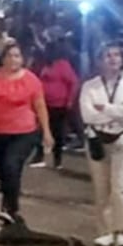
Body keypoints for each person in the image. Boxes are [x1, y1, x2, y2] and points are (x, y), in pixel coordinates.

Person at [0, 43, 54, 227]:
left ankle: (8, 207)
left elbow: (40, 106)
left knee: (11, 165)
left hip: (24, 132)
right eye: (10, 55)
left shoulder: (31, 80)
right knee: (4, 172)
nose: (13, 59)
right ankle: (12, 203)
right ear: (3, 57)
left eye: (17, 56)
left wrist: (47, 132)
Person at [80, 45, 123, 246]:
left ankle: (121, 232)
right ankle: (106, 230)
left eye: (116, 55)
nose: (113, 59)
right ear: (99, 61)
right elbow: (88, 116)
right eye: (107, 55)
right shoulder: (90, 86)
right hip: (98, 141)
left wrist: (105, 108)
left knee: (121, 187)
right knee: (101, 188)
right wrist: (118, 112)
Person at [36, 41, 79, 169]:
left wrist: (70, 100)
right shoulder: (44, 65)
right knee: (40, 130)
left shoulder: (62, 65)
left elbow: (74, 82)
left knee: (57, 132)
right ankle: (40, 156)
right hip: (44, 102)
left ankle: (57, 159)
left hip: (59, 104)